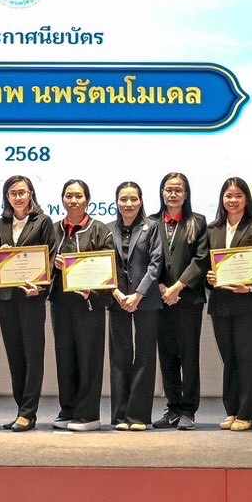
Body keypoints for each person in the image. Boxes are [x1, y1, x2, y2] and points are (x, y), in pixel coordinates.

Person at [204, 176, 252, 431]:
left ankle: (247, 413)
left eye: (238, 196)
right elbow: (206, 265)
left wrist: (251, 287)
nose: (233, 200)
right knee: (229, 359)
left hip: (249, 304)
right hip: (221, 304)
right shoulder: (213, 229)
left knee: (248, 359)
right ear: (222, 199)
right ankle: (231, 410)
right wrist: (209, 279)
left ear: (246, 199)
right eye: (228, 195)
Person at [0, 175, 55, 431]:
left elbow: (50, 258)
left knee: (33, 355)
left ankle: (29, 411)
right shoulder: (0, 224)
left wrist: (40, 288)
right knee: (15, 355)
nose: (18, 197)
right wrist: (3, 256)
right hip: (7, 298)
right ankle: (22, 410)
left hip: (32, 298)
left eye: (22, 192)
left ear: (31, 194)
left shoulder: (43, 222)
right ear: (6, 197)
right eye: (13, 193)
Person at [49, 179, 111, 431]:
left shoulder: (100, 230)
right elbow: (42, 261)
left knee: (89, 357)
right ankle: (68, 410)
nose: (73, 201)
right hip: (61, 302)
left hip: (89, 303)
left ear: (87, 200)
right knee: (65, 357)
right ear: (62, 199)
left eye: (78, 196)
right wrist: (53, 264)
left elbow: (109, 267)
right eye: (68, 196)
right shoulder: (53, 229)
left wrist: (92, 291)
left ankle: (88, 414)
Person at [153, 172, 208, 430]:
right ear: (162, 193)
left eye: (178, 189)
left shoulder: (198, 222)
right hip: (160, 299)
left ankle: (188, 410)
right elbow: (148, 258)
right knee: (167, 355)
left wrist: (178, 287)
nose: (173, 194)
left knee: (189, 355)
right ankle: (173, 407)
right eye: (168, 189)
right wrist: (162, 287)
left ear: (186, 194)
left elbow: (201, 259)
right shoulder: (151, 222)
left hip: (188, 300)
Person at [107, 182, 163, 430]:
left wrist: (138, 294)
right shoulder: (107, 229)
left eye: (133, 199)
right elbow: (104, 265)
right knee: (120, 356)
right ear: (116, 202)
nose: (128, 204)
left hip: (146, 300)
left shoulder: (152, 227)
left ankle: (138, 416)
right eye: (123, 199)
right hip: (117, 299)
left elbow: (156, 264)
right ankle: (120, 415)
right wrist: (117, 293)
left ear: (141, 201)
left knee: (145, 356)